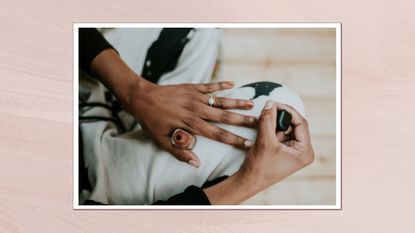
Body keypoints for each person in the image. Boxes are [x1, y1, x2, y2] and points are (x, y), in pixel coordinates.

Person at [79, 28, 314, 205]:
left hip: (84, 99)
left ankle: (154, 119)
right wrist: (248, 181)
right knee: (282, 104)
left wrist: (137, 93)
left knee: (200, 27)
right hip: (91, 181)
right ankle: (151, 125)